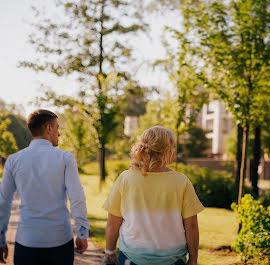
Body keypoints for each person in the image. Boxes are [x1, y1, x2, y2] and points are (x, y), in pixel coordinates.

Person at [102, 126, 204, 265]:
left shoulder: (125, 178)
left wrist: (109, 252)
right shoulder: (181, 181)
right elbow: (191, 226)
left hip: (131, 258)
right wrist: (193, 259)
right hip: (172, 260)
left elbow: (113, 222)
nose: (175, 151)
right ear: (167, 151)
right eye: (173, 147)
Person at [0, 109, 89, 265]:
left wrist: (0, 240)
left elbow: (3, 202)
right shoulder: (65, 158)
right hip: (60, 242)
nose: (59, 133)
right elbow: (77, 197)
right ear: (49, 128)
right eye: (57, 127)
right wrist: (82, 232)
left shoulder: (14, 160)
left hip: (27, 242)